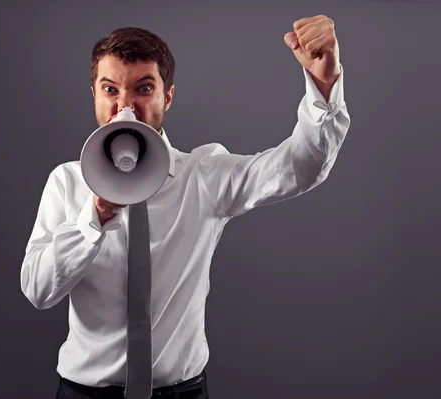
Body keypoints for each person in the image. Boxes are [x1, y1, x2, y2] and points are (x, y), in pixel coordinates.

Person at [21, 15, 350, 399]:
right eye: (110, 89)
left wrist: (324, 87)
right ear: (94, 94)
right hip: (84, 394)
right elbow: (38, 290)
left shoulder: (204, 176)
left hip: (184, 393)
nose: (124, 105)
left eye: (143, 88)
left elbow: (299, 167)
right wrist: (91, 219)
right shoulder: (67, 181)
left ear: (167, 97)